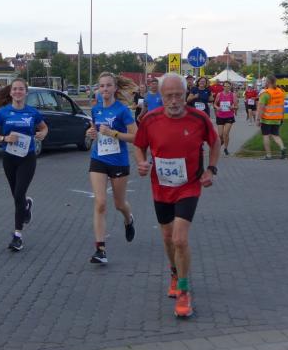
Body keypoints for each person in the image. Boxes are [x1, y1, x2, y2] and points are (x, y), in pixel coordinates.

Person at [134, 73, 220, 318]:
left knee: (180, 239)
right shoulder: (150, 120)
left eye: (178, 95)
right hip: (161, 187)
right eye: (168, 96)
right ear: (161, 96)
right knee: (167, 236)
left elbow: (214, 143)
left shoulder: (199, 118)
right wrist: (141, 162)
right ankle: (174, 272)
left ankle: (183, 290)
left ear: (186, 94)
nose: (174, 101)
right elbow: (139, 145)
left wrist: (211, 169)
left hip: (189, 185)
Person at [0, 78, 48, 250]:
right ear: (10, 92)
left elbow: (44, 128)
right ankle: (26, 205)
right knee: (17, 197)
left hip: (27, 158)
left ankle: (17, 236)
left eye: (21, 89)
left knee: (19, 193)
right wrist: (5, 138)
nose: (17, 92)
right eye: (15, 89)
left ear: (26, 92)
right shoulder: (3, 113)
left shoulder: (32, 113)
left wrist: (43, 134)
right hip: (9, 158)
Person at [85, 71, 138, 264]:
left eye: (108, 85)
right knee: (100, 202)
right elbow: (94, 130)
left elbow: (136, 136)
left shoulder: (122, 111)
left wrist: (114, 133)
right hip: (98, 158)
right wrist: (91, 132)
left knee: (119, 204)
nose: (105, 89)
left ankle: (128, 219)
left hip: (119, 161)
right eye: (102, 86)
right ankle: (100, 249)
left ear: (115, 88)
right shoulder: (96, 109)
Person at [256, 75, 287, 159]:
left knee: (266, 136)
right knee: (275, 135)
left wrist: (258, 119)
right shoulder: (280, 91)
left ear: (268, 82)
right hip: (277, 118)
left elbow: (261, 108)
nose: (264, 82)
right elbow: (282, 106)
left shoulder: (265, 93)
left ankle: (268, 155)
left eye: (265, 81)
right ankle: (282, 148)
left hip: (267, 119)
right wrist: (282, 117)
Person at [214, 81, 237, 155]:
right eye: (225, 86)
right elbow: (215, 104)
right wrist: (217, 108)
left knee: (226, 133)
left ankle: (225, 148)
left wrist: (233, 107)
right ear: (223, 87)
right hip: (220, 116)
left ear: (230, 87)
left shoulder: (233, 95)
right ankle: (221, 143)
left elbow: (236, 106)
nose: (227, 87)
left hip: (229, 116)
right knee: (220, 135)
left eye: (228, 86)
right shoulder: (219, 94)